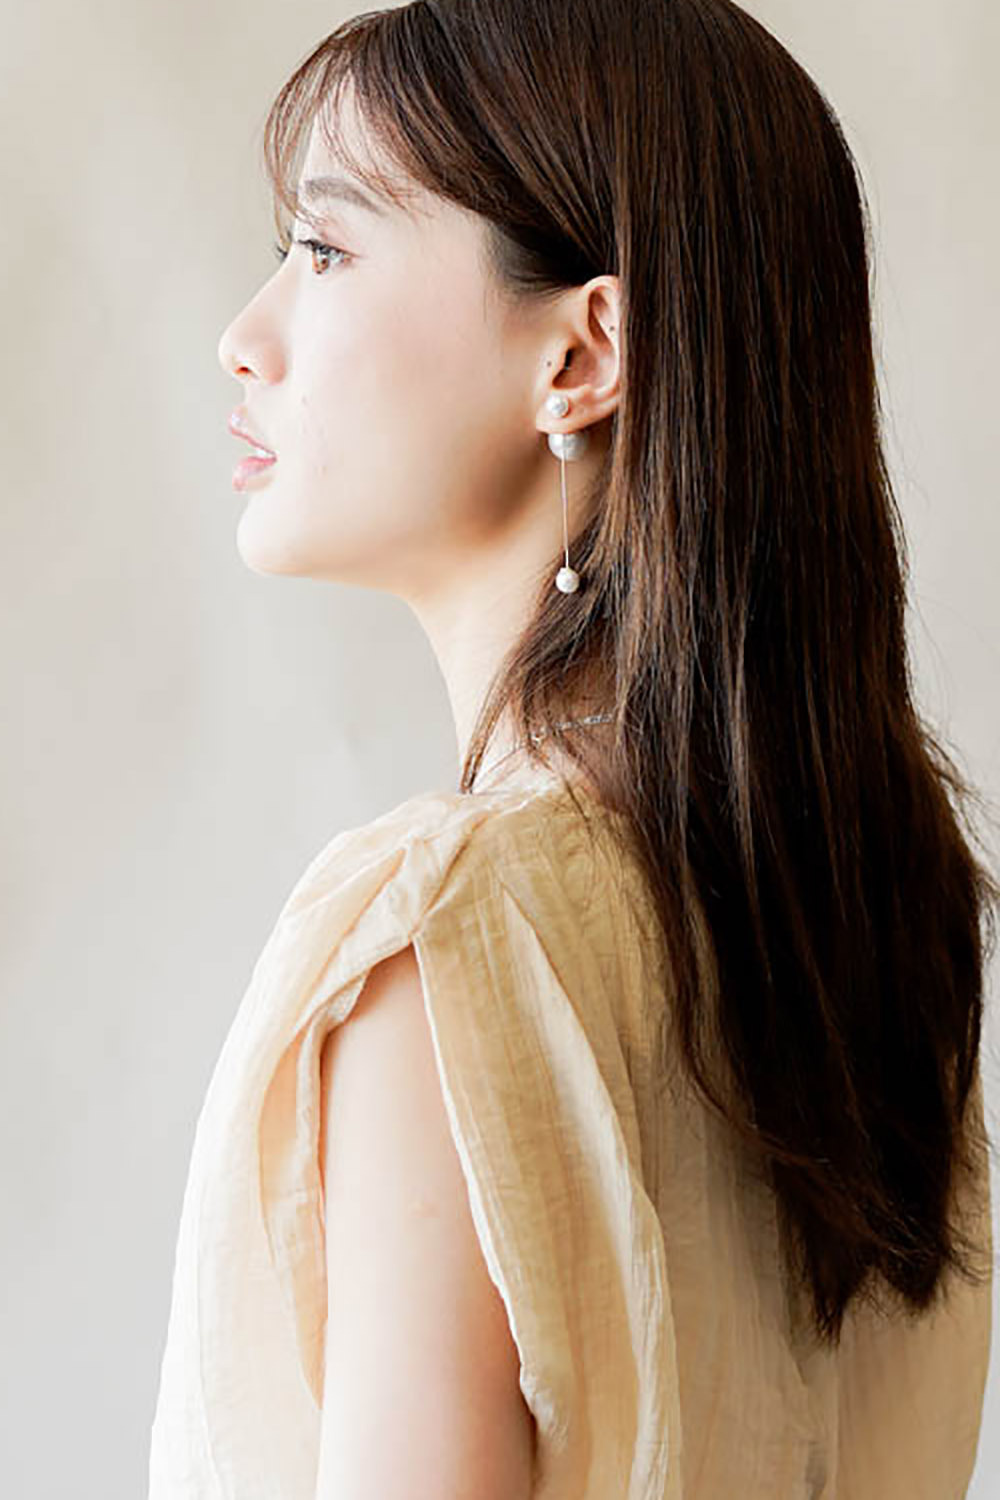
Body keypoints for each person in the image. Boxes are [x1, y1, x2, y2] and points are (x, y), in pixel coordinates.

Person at [148, 1, 997, 1496]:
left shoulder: (448, 937)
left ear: (581, 353)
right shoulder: (869, 930)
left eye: (325, 249)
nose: (245, 336)